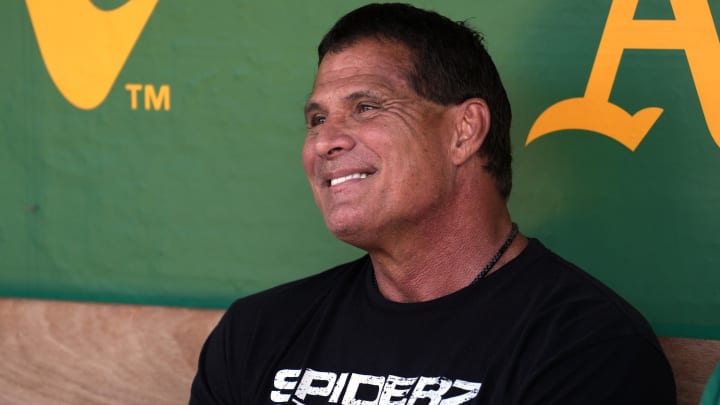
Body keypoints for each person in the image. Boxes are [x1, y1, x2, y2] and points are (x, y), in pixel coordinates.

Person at [190, 3, 676, 404]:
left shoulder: (587, 349)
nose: (324, 142)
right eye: (317, 119)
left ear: (464, 132)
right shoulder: (257, 332)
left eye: (366, 107)